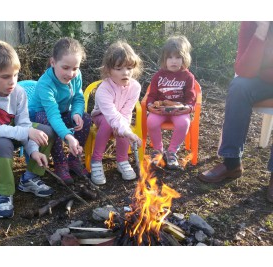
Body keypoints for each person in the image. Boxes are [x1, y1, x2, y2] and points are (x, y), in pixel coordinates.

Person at [0, 40, 55, 219]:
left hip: (13, 128)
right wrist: (26, 132)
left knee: (45, 132)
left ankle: (29, 178)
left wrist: (32, 151)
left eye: (15, 75)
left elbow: (24, 124)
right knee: (2, 144)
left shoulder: (19, 92)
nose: (12, 82)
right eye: (5, 77)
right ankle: (4, 193)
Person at [199, 21, 273, 203]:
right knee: (239, 87)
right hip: (262, 80)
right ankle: (232, 163)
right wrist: (261, 30)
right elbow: (244, 70)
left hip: (264, 76)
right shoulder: (251, 22)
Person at [29, 37, 91, 185]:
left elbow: (78, 97)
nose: (70, 73)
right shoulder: (46, 84)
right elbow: (53, 116)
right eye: (65, 68)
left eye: (75, 68)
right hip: (41, 118)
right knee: (49, 123)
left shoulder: (76, 76)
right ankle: (60, 163)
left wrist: (76, 112)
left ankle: (73, 160)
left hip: (63, 113)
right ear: (53, 62)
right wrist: (69, 137)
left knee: (86, 118)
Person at [89, 41, 143, 185]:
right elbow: (111, 115)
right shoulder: (104, 89)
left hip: (120, 116)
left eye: (129, 67)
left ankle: (122, 160)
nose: (125, 72)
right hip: (102, 116)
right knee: (108, 124)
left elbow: (126, 112)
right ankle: (96, 160)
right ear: (108, 70)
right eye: (119, 68)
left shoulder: (135, 87)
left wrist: (124, 129)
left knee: (123, 126)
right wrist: (124, 129)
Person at [146, 35, 196, 170]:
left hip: (179, 111)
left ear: (184, 59)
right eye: (170, 57)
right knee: (151, 121)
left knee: (184, 123)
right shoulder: (158, 76)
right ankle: (158, 150)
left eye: (178, 57)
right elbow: (152, 95)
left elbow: (191, 96)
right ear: (164, 59)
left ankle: (172, 151)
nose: (174, 61)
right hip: (161, 110)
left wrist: (189, 107)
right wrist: (150, 106)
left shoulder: (188, 76)